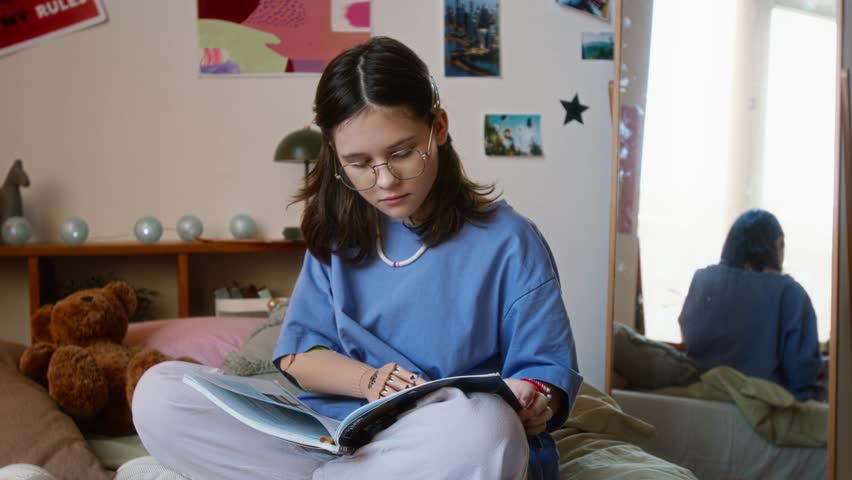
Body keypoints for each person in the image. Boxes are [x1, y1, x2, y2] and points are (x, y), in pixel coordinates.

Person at [131, 36, 582, 480]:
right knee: (161, 392)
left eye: (402, 153)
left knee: (488, 429)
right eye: (360, 163)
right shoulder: (338, 235)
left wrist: (536, 398)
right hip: (335, 436)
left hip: (443, 437)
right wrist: (369, 382)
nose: (385, 180)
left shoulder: (509, 240)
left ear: (439, 127)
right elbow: (299, 358)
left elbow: (544, 373)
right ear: (335, 156)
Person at [678, 209, 822, 401]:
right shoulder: (790, 294)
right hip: (764, 412)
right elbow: (802, 374)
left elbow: (691, 342)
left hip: (702, 405)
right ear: (778, 244)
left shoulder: (703, 282)